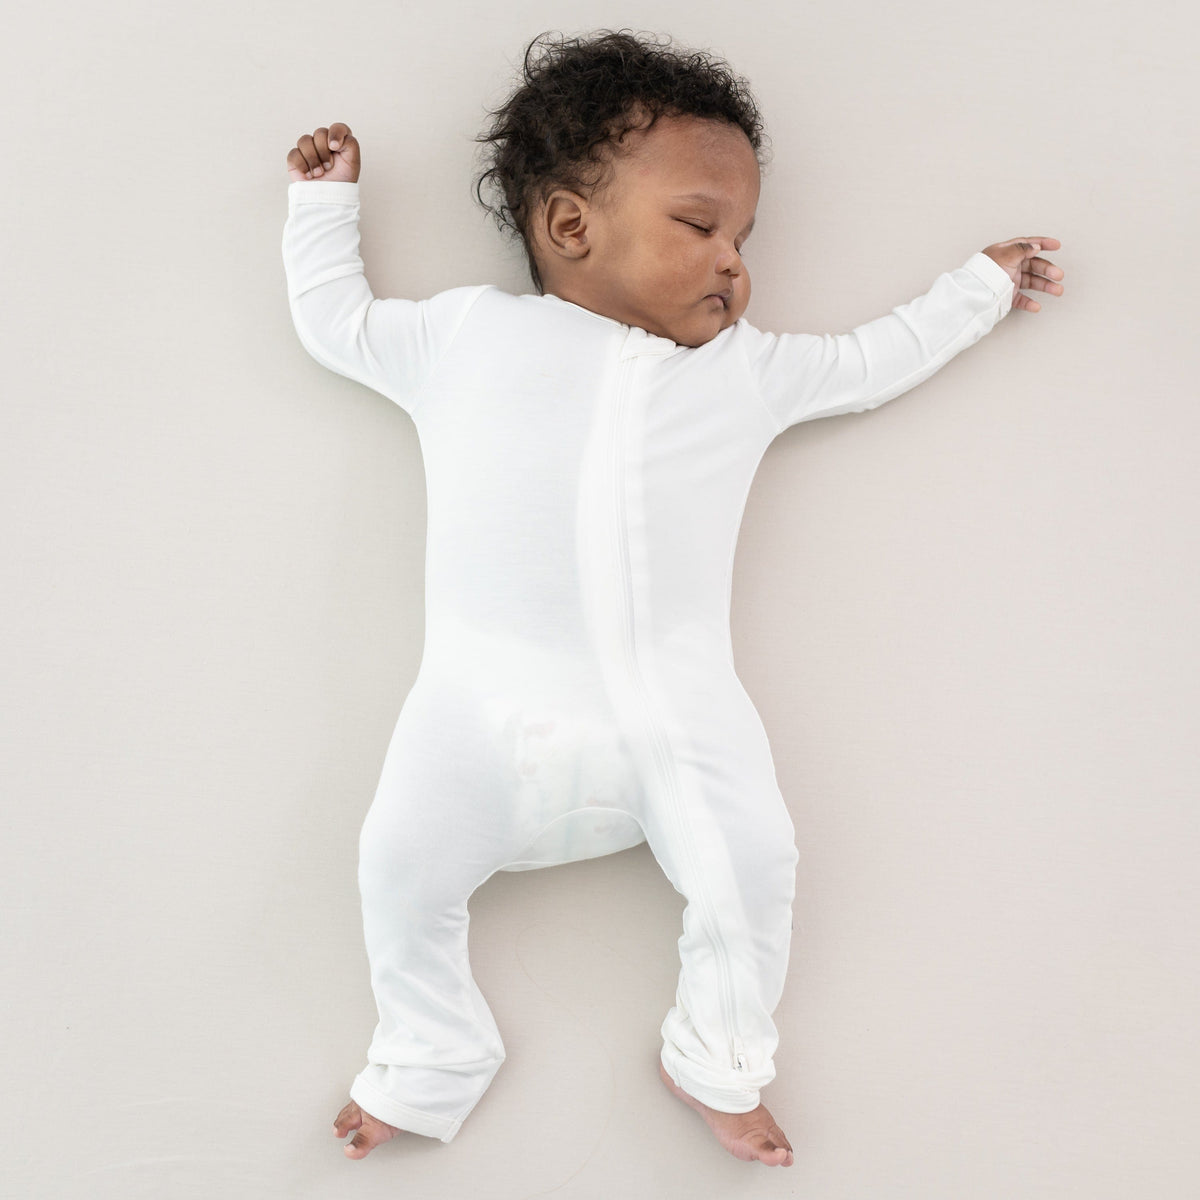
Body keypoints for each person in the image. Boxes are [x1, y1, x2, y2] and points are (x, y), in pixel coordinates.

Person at [281, 29, 1064, 1169]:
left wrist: (977, 289)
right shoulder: (466, 336)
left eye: (743, 238)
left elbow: (867, 361)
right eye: (701, 226)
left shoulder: (743, 374)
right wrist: (320, 207)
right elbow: (336, 326)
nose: (734, 263)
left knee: (756, 864)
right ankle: (430, 1050)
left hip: (678, 717)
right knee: (396, 865)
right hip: (479, 713)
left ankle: (717, 1056)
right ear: (569, 227)